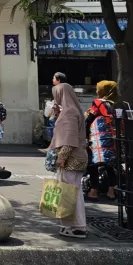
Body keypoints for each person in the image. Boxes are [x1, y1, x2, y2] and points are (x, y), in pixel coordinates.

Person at [49, 81, 89, 239]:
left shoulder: (70, 112)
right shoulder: (72, 110)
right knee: (73, 191)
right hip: (76, 157)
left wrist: (61, 157)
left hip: (71, 158)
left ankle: (77, 226)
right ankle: (71, 225)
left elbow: (69, 139)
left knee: (71, 192)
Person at [85, 80, 118, 201]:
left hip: (98, 139)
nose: (97, 90)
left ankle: (93, 191)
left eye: (98, 88)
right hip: (112, 137)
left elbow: (89, 119)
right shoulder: (116, 104)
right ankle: (111, 192)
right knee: (110, 165)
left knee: (93, 164)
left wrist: (85, 135)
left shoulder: (98, 103)